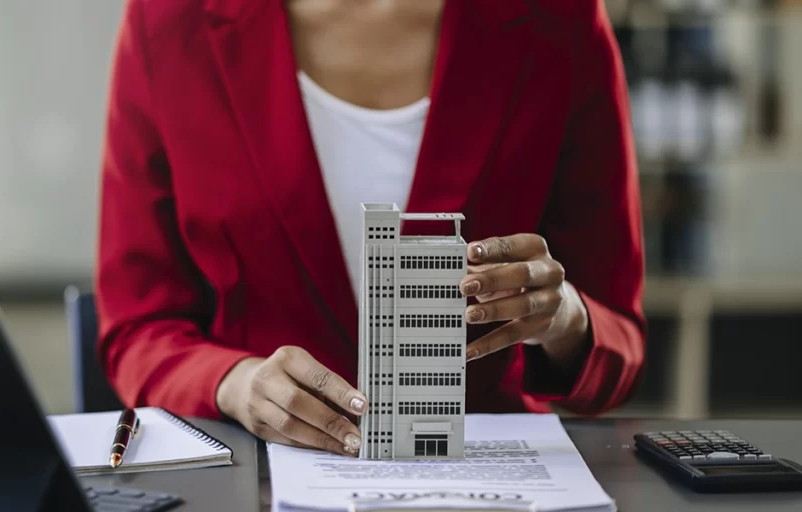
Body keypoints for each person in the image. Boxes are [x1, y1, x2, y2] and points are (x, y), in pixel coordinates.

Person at [95, 0, 645, 457]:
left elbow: (620, 336)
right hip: (259, 471)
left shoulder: (560, 20)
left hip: (483, 469)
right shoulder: (168, 22)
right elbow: (138, 328)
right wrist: (234, 382)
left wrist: (564, 317)